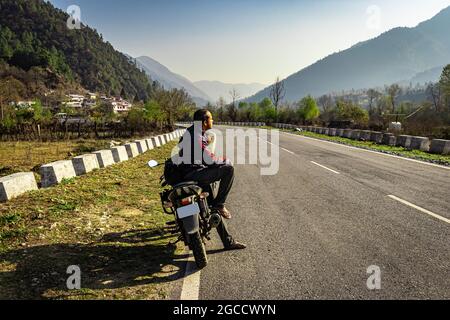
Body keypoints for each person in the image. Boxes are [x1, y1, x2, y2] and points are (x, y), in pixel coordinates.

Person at [175, 109, 246, 251]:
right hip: (196, 174)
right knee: (228, 169)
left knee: (211, 206)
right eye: (211, 119)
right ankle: (220, 204)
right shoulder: (196, 135)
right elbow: (208, 159)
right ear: (204, 121)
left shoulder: (191, 133)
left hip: (187, 174)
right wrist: (224, 160)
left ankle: (227, 240)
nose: (212, 121)